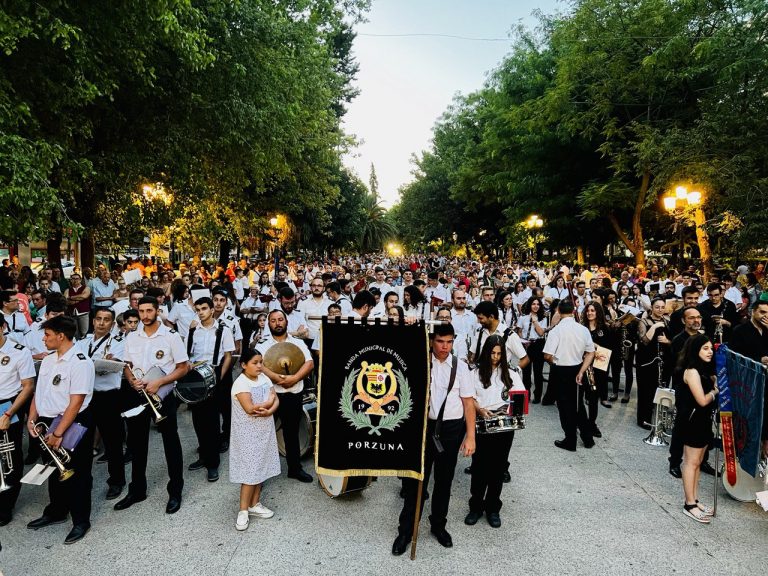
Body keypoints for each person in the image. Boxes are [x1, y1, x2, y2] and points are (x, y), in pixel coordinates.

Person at [393, 323, 476, 556]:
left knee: (444, 481)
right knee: (414, 482)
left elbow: (468, 403)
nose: (444, 347)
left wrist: (471, 437)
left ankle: (438, 525)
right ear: (432, 341)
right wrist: (408, 323)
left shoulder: (460, 367)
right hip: (422, 428)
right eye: (440, 341)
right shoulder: (419, 361)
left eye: (449, 342)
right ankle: (406, 531)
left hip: (450, 430)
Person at [116, 296, 189, 514]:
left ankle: (175, 491)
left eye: (150, 311)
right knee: (137, 443)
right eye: (142, 311)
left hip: (163, 395)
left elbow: (183, 367)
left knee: (171, 443)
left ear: (158, 311)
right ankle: (137, 490)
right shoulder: (131, 336)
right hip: (138, 394)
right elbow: (127, 365)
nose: (145, 315)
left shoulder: (170, 336)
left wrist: (160, 382)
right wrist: (131, 379)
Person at [26, 315, 95, 544]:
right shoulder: (48, 360)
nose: (43, 339)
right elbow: (39, 391)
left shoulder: (80, 362)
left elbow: (76, 402)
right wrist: (32, 418)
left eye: (47, 335)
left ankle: (81, 520)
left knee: (78, 473)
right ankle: (56, 511)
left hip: (71, 422)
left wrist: (58, 434)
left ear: (61, 336)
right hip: (48, 420)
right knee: (53, 469)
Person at [465, 335, 523, 528]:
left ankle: (493, 508)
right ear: (486, 352)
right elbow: (468, 397)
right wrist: (479, 409)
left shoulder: (512, 373)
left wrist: (512, 409)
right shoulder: (475, 373)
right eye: (492, 353)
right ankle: (476, 507)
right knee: (479, 467)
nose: (496, 357)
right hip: (482, 424)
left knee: (498, 469)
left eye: (499, 354)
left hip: (504, 428)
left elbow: (520, 398)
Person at [258, 310, 314, 483]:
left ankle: (294, 469)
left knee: (291, 432)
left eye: (280, 319)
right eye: (273, 320)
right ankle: (259, 474)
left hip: (293, 393)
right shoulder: (263, 345)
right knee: (264, 433)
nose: (277, 323)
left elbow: (309, 363)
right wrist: (277, 379)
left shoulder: (297, 343)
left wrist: (295, 378)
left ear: (286, 321)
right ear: (269, 324)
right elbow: (259, 365)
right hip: (271, 394)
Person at [76, 308, 126, 500]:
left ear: (112, 324)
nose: (101, 323)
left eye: (106, 320)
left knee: (112, 441)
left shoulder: (119, 342)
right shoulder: (82, 342)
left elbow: (116, 366)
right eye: (98, 319)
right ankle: (84, 482)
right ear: (93, 321)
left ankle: (116, 481)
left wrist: (102, 364)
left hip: (108, 396)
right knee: (84, 442)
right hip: (86, 397)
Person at [230, 347, 281, 531]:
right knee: (250, 472)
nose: (259, 366)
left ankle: (254, 504)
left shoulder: (264, 378)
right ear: (244, 365)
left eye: (261, 362)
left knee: (260, 467)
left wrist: (271, 409)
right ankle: (243, 510)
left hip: (263, 431)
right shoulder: (241, 384)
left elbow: (276, 399)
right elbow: (250, 409)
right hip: (247, 434)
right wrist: (268, 403)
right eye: (255, 363)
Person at [186, 297, 235, 482]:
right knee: (198, 419)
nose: (200, 312)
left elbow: (228, 356)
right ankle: (203, 455)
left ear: (212, 309)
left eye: (204, 308)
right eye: (198, 309)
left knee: (213, 420)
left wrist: (219, 378)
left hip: (214, 374)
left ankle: (213, 463)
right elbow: (187, 355)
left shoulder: (223, 330)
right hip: (196, 377)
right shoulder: (193, 331)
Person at [543, 299, 596, 451]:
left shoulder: (556, 331)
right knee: (578, 405)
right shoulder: (583, 329)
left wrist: (556, 361)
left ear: (558, 312)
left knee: (564, 406)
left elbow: (547, 355)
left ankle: (570, 440)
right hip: (578, 367)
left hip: (561, 370)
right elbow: (590, 352)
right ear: (573, 311)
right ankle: (587, 438)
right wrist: (581, 370)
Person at [676, 335, 717, 523]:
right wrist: (715, 391)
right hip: (693, 421)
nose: (710, 352)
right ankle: (689, 503)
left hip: (703, 420)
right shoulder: (691, 371)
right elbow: (701, 400)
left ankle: (695, 499)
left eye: (711, 348)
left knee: (698, 461)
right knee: (691, 462)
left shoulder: (704, 370)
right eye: (705, 348)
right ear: (695, 350)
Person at [0, 316, 36, 526]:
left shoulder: (18, 351)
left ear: (3, 327)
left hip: (7, 406)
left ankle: (5, 506)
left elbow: (28, 386)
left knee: (9, 458)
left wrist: (7, 414)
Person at [635, 298, 671, 430]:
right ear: (652, 307)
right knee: (646, 391)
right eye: (657, 307)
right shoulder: (643, 321)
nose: (660, 310)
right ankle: (643, 419)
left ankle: (659, 419)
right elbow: (644, 340)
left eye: (662, 307)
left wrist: (667, 341)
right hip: (646, 362)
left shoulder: (667, 322)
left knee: (661, 390)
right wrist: (655, 326)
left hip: (662, 361)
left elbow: (673, 342)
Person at [516, 296, 547, 403]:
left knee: (538, 372)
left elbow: (541, 333)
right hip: (526, 345)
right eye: (533, 304)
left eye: (538, 304)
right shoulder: (523, 318)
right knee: (526, 372)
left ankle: (537, 396)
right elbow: (519, 331)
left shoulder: (543, 318)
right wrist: (522, 340)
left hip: (538, 344)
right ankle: (526, 394)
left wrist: (535, 321)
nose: (536, 306)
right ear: (530, 305)